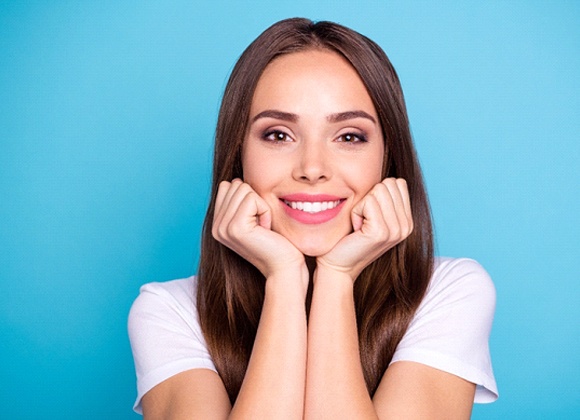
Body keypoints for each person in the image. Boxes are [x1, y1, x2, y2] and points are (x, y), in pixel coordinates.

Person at [128, 17, 498, 419]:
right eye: (278, 135)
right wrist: (285, 281)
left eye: (349, 136)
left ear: (387, 157)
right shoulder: (169, 311)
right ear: (238, 155)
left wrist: (336, 279)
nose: (312, 167)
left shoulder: (449, 291)